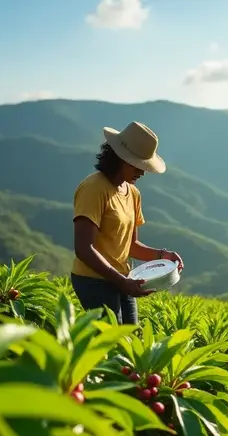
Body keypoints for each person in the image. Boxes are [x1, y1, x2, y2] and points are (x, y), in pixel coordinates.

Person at [70, 122, 184, 325]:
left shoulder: (132, 193)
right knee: (112, 343)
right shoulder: (94, 188)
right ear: (120, 158)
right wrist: (122, 281)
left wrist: (161, 255)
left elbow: (130, 245)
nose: (143, 172)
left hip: (123, 278)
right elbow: (84, 248)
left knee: (130, 335)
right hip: (94, 280)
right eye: (138, 165)